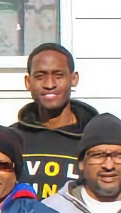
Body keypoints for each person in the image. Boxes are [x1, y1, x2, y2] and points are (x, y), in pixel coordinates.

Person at [12, 44, 99, 199]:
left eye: (58, 75)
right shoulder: (11, 139)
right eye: (40, 76)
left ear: (74, 79)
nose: (49, 84)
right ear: (28, 82)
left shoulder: (96, 137)